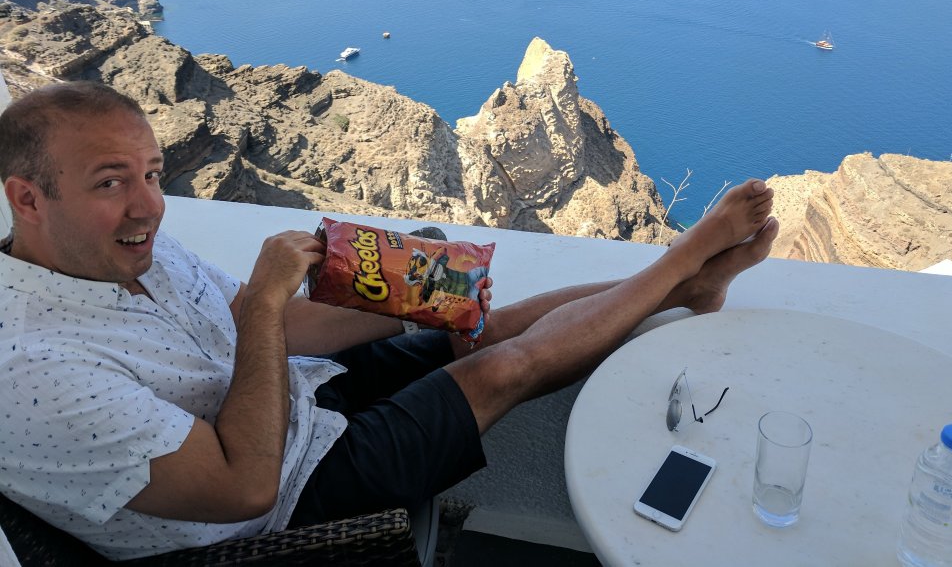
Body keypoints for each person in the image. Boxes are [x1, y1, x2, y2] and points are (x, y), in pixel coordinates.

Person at [0, 82, 777, 560]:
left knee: (484, 325)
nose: (149, 206)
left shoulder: (122, 249)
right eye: (112, 183)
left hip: (292, 398)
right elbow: (245, 486)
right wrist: (266, 303)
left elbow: (250, 325)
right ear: (27, 199)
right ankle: (682, 263)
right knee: (500, 369)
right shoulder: (33, 368)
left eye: (151, 175)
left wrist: (412, 303)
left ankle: (685, 288)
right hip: (282, 495)